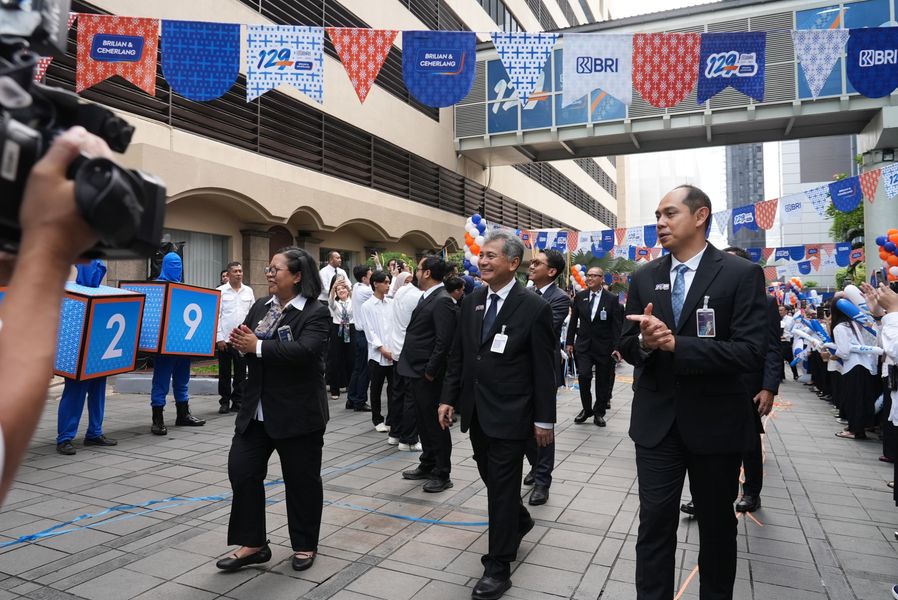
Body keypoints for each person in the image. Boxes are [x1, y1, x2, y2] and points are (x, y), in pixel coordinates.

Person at [620, 184, 767, 600]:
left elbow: (751, 351)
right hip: (656, 425)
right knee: (654, 524)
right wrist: (646, 344)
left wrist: (677, 345)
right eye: (657, 216)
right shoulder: (644, 277)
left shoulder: (741, 274)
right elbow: (627, 345)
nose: (660, 224)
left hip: (715, 425)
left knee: (718, 526)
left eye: (670, 214)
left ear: (700, 216)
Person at [438, 231, 556, 600]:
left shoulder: (533, 307)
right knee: (492, 479)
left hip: (512, 412)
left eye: (491, 256)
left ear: (513, 263)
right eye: (482, 256)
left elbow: (544, 368)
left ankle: (498, 565)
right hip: (476, 411)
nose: (482, 261)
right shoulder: (472, 301)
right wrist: (448, 398)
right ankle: (519, 521)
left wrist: (544, 420)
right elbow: (460, 355)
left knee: (502, 489)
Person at [0, 126, 114, 503]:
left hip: (99, 332)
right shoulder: (74, 267)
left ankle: (94, 430)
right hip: (77, 327)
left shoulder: (98, 264)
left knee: (96, 386)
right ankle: (66, 435)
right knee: (76, 387)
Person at [216, 246, 330, 573]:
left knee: (302, 482)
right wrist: (243, 344)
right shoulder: (261, 306)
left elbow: (306, 351)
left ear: (296, 276)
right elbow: (250, 348)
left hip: (298, 413)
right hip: (257, 411)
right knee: (242, 471)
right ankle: (253, 544)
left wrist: (259, 346)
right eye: (268, 269)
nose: (269, 274)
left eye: (275, 270)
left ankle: (305, 544)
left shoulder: (315, 312)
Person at [680, 246, 781, 517]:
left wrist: (769, 387)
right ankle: (701, 496)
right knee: (704, 444)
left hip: (748, 385)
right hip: (709, 383)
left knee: (748, 442)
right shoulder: (702, 294)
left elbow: (772, 347)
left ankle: (751, 492)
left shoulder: (765, 301)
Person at [399, 257, 458, 492]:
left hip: (427, 373)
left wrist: (431, 371)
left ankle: (442, 472)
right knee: (423, 421)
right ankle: (428, 463)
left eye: (419, 268)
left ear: (427, 273)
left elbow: (443, 342)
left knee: (436, 424)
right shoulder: (428, 296)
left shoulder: (443, 300)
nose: (416, 272)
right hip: (414, 370)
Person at [522, 249, 570, 506]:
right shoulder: (527, 293)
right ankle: (535, 465)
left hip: (543, 371)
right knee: (525, 426)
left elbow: (544, 329)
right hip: (520, 369)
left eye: (537, 263)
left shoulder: (559, 298)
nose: (531, 266)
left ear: (551, 271)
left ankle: (543, 481)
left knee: (543, 427)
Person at [56, 260, 118, 455]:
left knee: (98, 395)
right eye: (94, 269)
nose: (97, 273)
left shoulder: (104, 292)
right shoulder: (67, 291)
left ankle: (94, 433)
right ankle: (65, 438)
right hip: (76, 356)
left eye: (99, 270)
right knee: (74, 396)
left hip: (98, 354)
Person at [149, 252, 206, 435]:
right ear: (165, 265)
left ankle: (183, 414)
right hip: (164, 346)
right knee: (161, 383)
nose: (177, 268)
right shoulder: (156, 287)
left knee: (183, 381)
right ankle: (157, 419)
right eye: (173, 265)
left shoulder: (184, 287)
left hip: (183, 344)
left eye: (179, 264)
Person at [566, 266, 623, 427]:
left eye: (594, 276)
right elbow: (573, 321)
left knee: (603, 381)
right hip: (583, 345)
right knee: (584, 376)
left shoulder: (611, 299)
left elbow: (616, 326)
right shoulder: (580, 297)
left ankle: (599, 412)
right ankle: (586, 409)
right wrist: (570, 342)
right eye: (588, 276)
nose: (589, 278)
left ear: (601, 278)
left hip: (604, 347)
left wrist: (617, 347)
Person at [387, 271, 423, 450]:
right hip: (408, 351)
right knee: (411, 396)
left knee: (398, 393)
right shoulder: (418, 296)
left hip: (396, 350)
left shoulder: (399, 294)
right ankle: (408, 439)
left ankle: (395, 433)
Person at [217, 261, 255, 414]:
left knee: (240, 372)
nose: (239, 273)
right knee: (224, 372)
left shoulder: (248, 291)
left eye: (240, 271)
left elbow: (252, 315)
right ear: (228, 273)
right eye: (235, 271)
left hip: (242, 339)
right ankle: (224, 401)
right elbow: (217, 316)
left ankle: (237, 401)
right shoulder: (220, 291)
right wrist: (219, 338)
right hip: (225, 339)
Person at [360, 271, 394, 432]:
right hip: (377, 354)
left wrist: (392, 349)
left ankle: (392, 418)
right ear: (376, 284)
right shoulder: (367, 306)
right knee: (376, 388)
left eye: (389, 282)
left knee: (393, 387)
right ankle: (377, 418)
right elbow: (369, 330)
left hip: (393, 352)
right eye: (385, 282)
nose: (388, 285)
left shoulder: (391, 303)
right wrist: (381, 348)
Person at [347, 264, 373, 412]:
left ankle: (351, 399)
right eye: (371, 275)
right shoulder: (365, 290)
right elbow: (385, 293)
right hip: (363, 335)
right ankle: (360, 401)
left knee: (358, 368)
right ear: (364, 278)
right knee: (364, 370)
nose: (373, 277)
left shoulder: (356, 286)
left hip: (358, 333)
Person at [327, 279, 355, 401]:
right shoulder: (335, 304)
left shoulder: (353, 302)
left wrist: (348, 287)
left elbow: (355, 297)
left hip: (351, 329)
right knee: (335, 359)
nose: (341, 291)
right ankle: (335, 389)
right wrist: (334, 287)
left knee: (351, 359)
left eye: (343, 288)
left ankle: (351, 387)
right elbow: (330, 300)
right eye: (339, 290)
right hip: (337, 329)